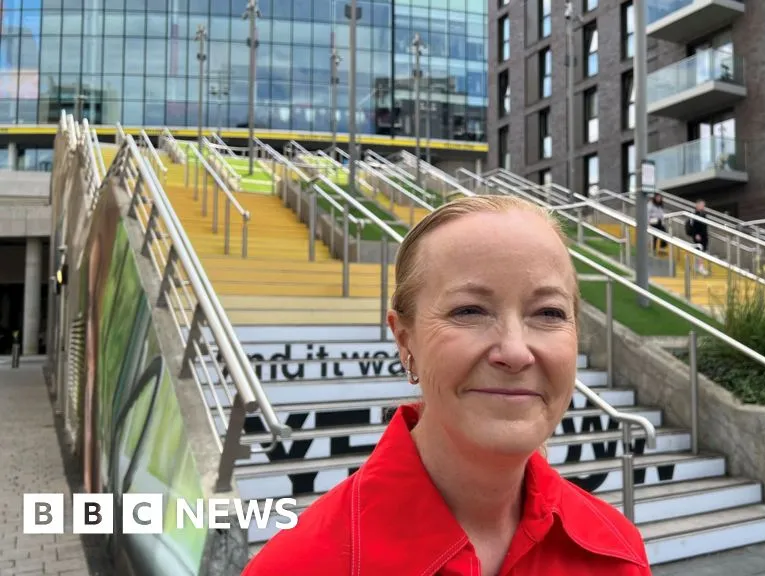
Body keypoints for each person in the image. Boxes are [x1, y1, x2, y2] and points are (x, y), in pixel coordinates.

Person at [242, 196, 652, 576]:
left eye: (548, 312)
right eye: (469, 311)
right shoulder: (298, 565)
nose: (515, 351)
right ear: (405, 340)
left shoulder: (618, 552)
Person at [688, 199, 710, 276]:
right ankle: (700, 266)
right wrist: (696, 234)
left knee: (702, 250)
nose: (703, 206)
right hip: (698, 235)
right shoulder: (694, 214)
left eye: (704, 205)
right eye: (701, 205)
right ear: (697, 205)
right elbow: (693, 226)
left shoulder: (703, 214)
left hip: (704, 235)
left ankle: (697, 266)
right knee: (700, 250)